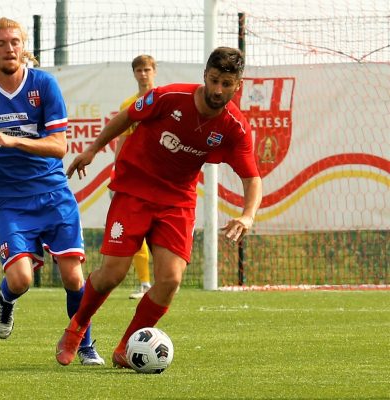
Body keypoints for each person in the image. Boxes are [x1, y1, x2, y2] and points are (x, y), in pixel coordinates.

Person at [55, 47, 262, 368]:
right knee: (113, 273)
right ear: (205, 76)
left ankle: (126, 348)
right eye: (214, 80)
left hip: (177, 200)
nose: (219, 90)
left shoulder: (235, 126)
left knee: (170, 280)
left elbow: (252, 178)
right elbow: (125, 117)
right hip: (134, 188)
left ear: (239, 84)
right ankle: (76, 328)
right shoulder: (169, 96)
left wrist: (248, 215)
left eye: (227, 83)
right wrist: (94, 149)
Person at [0, 17, 104, 366]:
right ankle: (6, 301)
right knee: (21, 279)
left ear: (24, 46)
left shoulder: (44, 85)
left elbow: (59, 147)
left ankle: (83, 344)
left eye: (15, 42)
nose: (9, 48)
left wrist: (13, 140)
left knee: (73, 276)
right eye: (1, 43)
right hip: (10, 198)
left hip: (53, 192)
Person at [114, 55, 157, 299]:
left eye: (147, 69)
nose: (143, 74)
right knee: (135, 228)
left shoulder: (165, 99)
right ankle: (145, 283)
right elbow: (122, 138)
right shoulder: (129, 105)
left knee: (160, 230)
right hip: (136, 177)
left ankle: (166, 279)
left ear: (154, 71)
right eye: (139, 70)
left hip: (162, 176)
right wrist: (117, 170)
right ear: (134, 73)